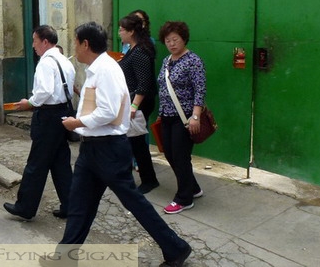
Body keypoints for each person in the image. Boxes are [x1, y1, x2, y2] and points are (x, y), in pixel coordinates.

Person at [42, 22, 191, 267]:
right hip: (92, 148)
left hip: (108, 149)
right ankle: (64, 258)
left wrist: (77, 122)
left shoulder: (106, 69)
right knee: (80, 205)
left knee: (134, 202)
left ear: (85, 44)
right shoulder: (97, 68)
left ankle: (176, 248)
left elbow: (108, 112)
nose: (74, 49)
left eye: (76, 43)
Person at [3, 25, 74, 220]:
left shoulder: (45, 62)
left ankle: (25, 207)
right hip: (62, 113)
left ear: (45, 41)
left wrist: (30, 102)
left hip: (48, 115)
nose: (33, 45)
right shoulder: (64, 61)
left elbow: (45, 91)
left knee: (36, 163)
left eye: (34, 41)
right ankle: (70, 205)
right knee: (60, 163)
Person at [157, 21, 205, 214]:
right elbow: (163, 86)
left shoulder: (193, 60)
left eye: (175, 39)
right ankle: (193, 187)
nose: (171, 43)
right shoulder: (167, 61)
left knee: (180, 156)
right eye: (168, 40)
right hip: (166, 115)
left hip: (184, 117)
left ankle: (184, 198)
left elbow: (199, 90)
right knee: (169, 153)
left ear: (184, 38)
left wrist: (195, 116)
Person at [118, 14, 160, 194]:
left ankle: (149, 180)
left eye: (122, 30)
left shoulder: (140, 52)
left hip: (139, 103)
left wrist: (134, 107)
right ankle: (137, 176)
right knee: (132, 141)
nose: (119, 33)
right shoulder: (133, 49)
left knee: (137, 143)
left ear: (131, 32)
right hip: (133, 101)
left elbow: (144, 83)